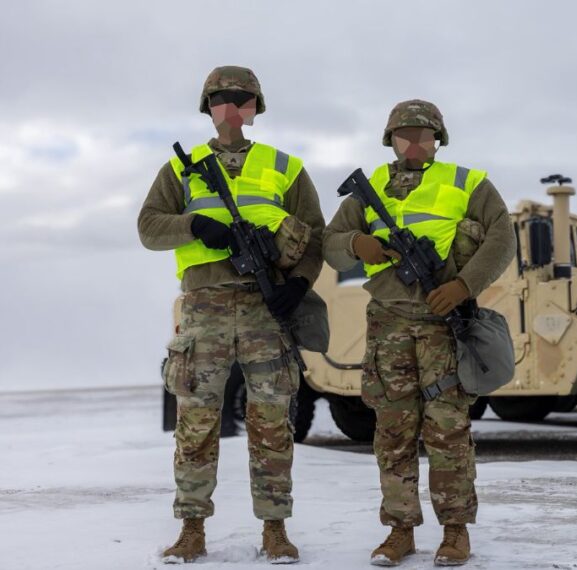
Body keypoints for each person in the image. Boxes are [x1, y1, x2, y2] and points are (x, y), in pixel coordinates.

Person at [138, 65, 324, 564]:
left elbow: (315, 236)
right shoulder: (181, 168)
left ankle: (275, 530)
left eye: (243, 99)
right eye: (222, 99)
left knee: (273, 422)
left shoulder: (285, 166)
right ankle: (191, 529)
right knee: (196, 422)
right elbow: (149, 227)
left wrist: (299, 285)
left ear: (255, 109)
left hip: (266, 306)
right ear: (208, 108)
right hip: (205, 307)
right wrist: (196, 224)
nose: (233, 108)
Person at [323, 99, 515, 566]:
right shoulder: (368, 190)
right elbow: (329, 245)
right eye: (404, 135)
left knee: (448, 430)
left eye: (423, 135)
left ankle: (455, 532)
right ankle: (400, 531)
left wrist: (464, 285)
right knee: (392, 431)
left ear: (438, 140)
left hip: (444, 325)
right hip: (388, 323)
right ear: (390, 140)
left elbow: (502, 237)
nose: (413, 143)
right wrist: (358, 243)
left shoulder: (467, 182)